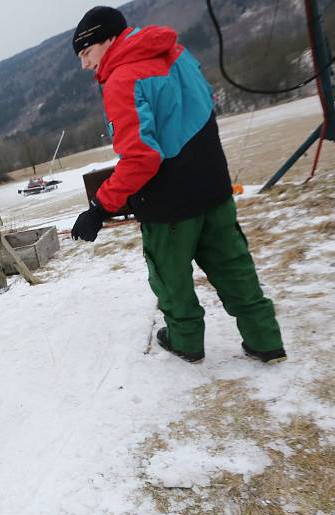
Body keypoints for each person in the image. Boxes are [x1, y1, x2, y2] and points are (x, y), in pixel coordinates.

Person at [70, 6, 285, 364]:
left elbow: (141, 158)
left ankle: (185, 340)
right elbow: (205, 106)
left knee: (171, 278)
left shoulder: (122, 78)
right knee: (233, 265)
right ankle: (265, 338)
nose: (85, 65)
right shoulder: (178, 54)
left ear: (109, 40)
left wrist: (99, 208)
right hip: (213, 185)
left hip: (168, 203)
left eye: (86, 52)